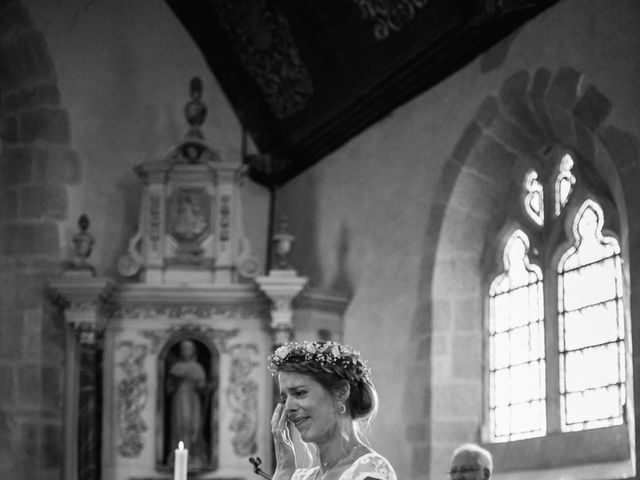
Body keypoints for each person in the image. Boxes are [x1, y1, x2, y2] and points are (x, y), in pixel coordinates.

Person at [268, 340, 397, 480]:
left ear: (341, 392)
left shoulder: (368, 471)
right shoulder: (301, 477)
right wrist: (283, 470)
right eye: (284, 399)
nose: (288, 408)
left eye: (299, 393)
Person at [166, 339, 211, 467]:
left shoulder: (197, 368)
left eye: (189, 349)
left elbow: (202, 386)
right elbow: (169, 388)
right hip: (180, 399)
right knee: (181, 426)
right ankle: (179, 456)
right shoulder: (176, 367)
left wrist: (207, 388)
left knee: (194, 427)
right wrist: (177, 381)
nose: (186, 352)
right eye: (184, 349)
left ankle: (195, 455)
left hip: (193, 400)